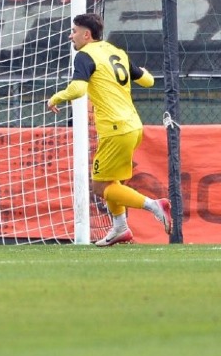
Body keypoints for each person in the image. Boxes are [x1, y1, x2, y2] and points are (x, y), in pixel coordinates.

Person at [47, 13, 170, 246]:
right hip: (132, 126)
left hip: (116, 129)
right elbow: (148, 81)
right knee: (111, 181)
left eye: (74, 31)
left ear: (86, 34)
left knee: (99, 186)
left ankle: (154, 205)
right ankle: (120, 228)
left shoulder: (85, 55)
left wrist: (56, 97)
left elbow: (78, 89)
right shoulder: (116, 52)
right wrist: (143, 71)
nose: (71, 36)